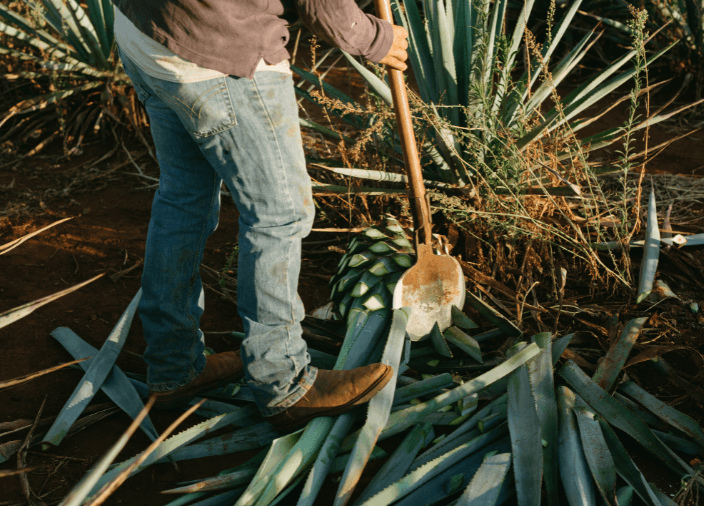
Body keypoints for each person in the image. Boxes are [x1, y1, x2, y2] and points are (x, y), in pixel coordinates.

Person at [112, 0, 409, 431]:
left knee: (183, 197)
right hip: (219, 50)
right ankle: (283, 382)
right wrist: (372, 36)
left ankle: (173, 366)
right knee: (280, 215)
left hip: (149, 31)